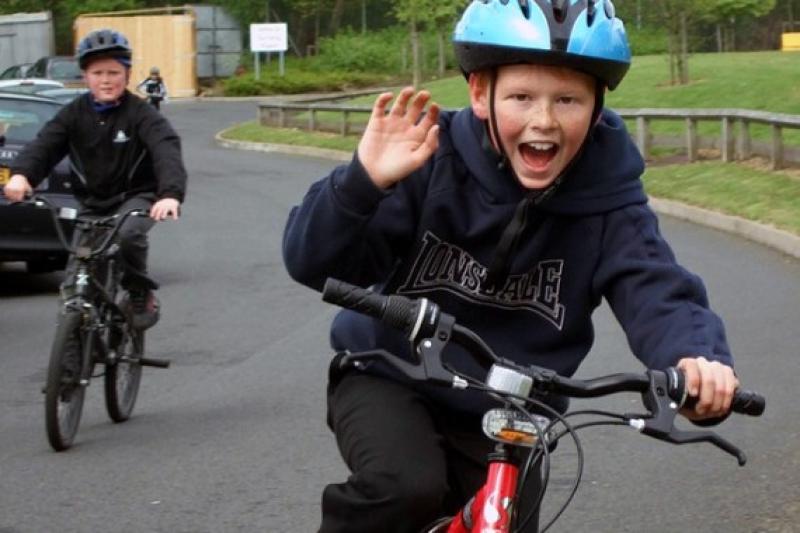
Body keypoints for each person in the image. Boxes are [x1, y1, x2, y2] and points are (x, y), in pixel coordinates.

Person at [282, 1, 739, 531]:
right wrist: (362, 182)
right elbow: (312, 263)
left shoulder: (610, 201)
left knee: (509, 516)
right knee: (403, 487)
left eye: (568, 99)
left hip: (512, 409)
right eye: (522, 97)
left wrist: (696, 360)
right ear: (481, 93)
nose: (544, 120)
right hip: (391, 374)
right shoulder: (429, 162)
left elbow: (657, 290)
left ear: (597, 107)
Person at [3, 28, 186, 330]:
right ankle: (74, 355)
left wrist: (170, 194)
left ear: (127, 75)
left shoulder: (141, 114)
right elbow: (44, 146)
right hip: (92, 202)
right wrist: (21, 176)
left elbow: (166, 150)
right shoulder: (73, 114)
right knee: (78, 276)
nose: (106, 79)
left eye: (114, 72)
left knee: (129, 236)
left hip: (136, 196)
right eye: (97, 72)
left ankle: (139, 291)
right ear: (85, 77)